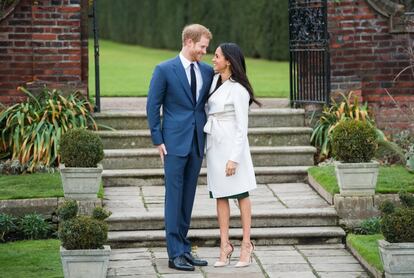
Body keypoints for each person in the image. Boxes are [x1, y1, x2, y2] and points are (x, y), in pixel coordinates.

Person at [146, 24, 214, 271]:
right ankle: (174, 254)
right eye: (202, 46)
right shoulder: (164, 70)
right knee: (173, 197)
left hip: (197, 141)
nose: (204, 52)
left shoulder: (207, 71)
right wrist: (157, 139)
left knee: (187, 198)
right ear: (188, 41)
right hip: (173, 143)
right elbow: (152, 106)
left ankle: (184, 248)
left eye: (206, 47)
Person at [203, 42, 261, 268]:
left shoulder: (238, 89)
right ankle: (225, 245)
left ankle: (246, 244)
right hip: (215, 144)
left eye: (216, 56)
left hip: (232, 147)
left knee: (241, 194)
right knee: (220, 195)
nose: (213, 59)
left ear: (228, 61)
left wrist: (234, 158)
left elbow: (241, 127)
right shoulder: (213, 82)